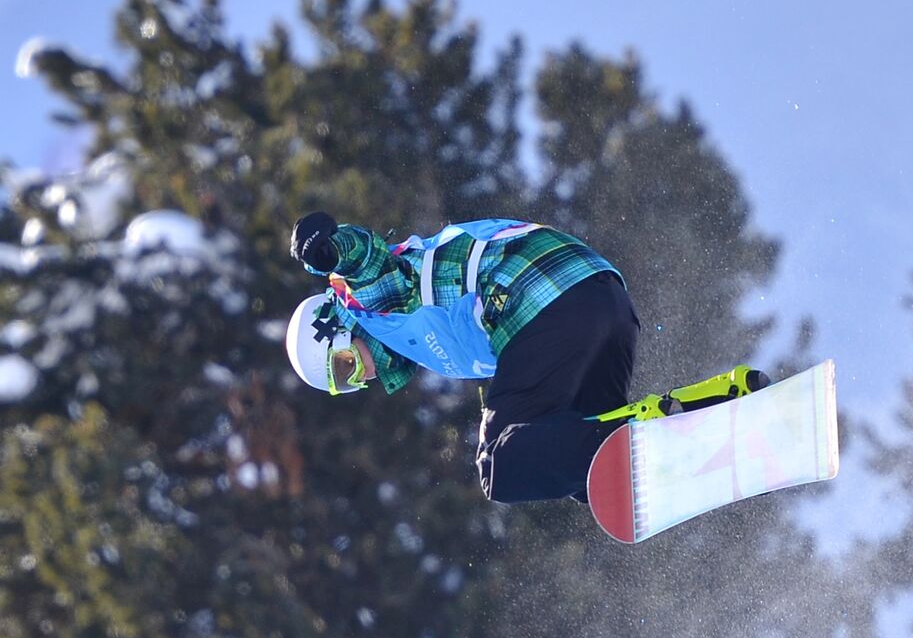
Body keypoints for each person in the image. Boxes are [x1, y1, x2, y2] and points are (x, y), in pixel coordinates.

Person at [285, 212, 769, 503]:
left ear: (339, 324)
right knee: (591, 472)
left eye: (345, 365)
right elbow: (510, 384)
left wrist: (327, 252)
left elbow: (367, 260)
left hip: (538, 297)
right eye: (347, 383)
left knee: (501, 465)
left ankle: (638, 433)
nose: (362, 377)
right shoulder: (431, 343)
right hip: (601, 302)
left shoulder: (369, 305)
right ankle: (713, 413)